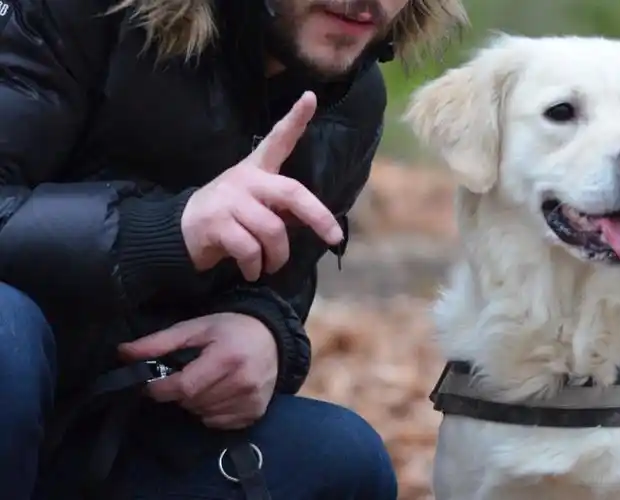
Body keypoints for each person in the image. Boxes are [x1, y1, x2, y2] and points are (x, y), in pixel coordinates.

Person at [0, 0, 466, 498]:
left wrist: (265, 331)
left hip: (122, 424)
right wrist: (168, 231)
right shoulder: (81, 13)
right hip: (21, 392)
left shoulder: (351, 94)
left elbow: (280, 285)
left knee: (343, 460)